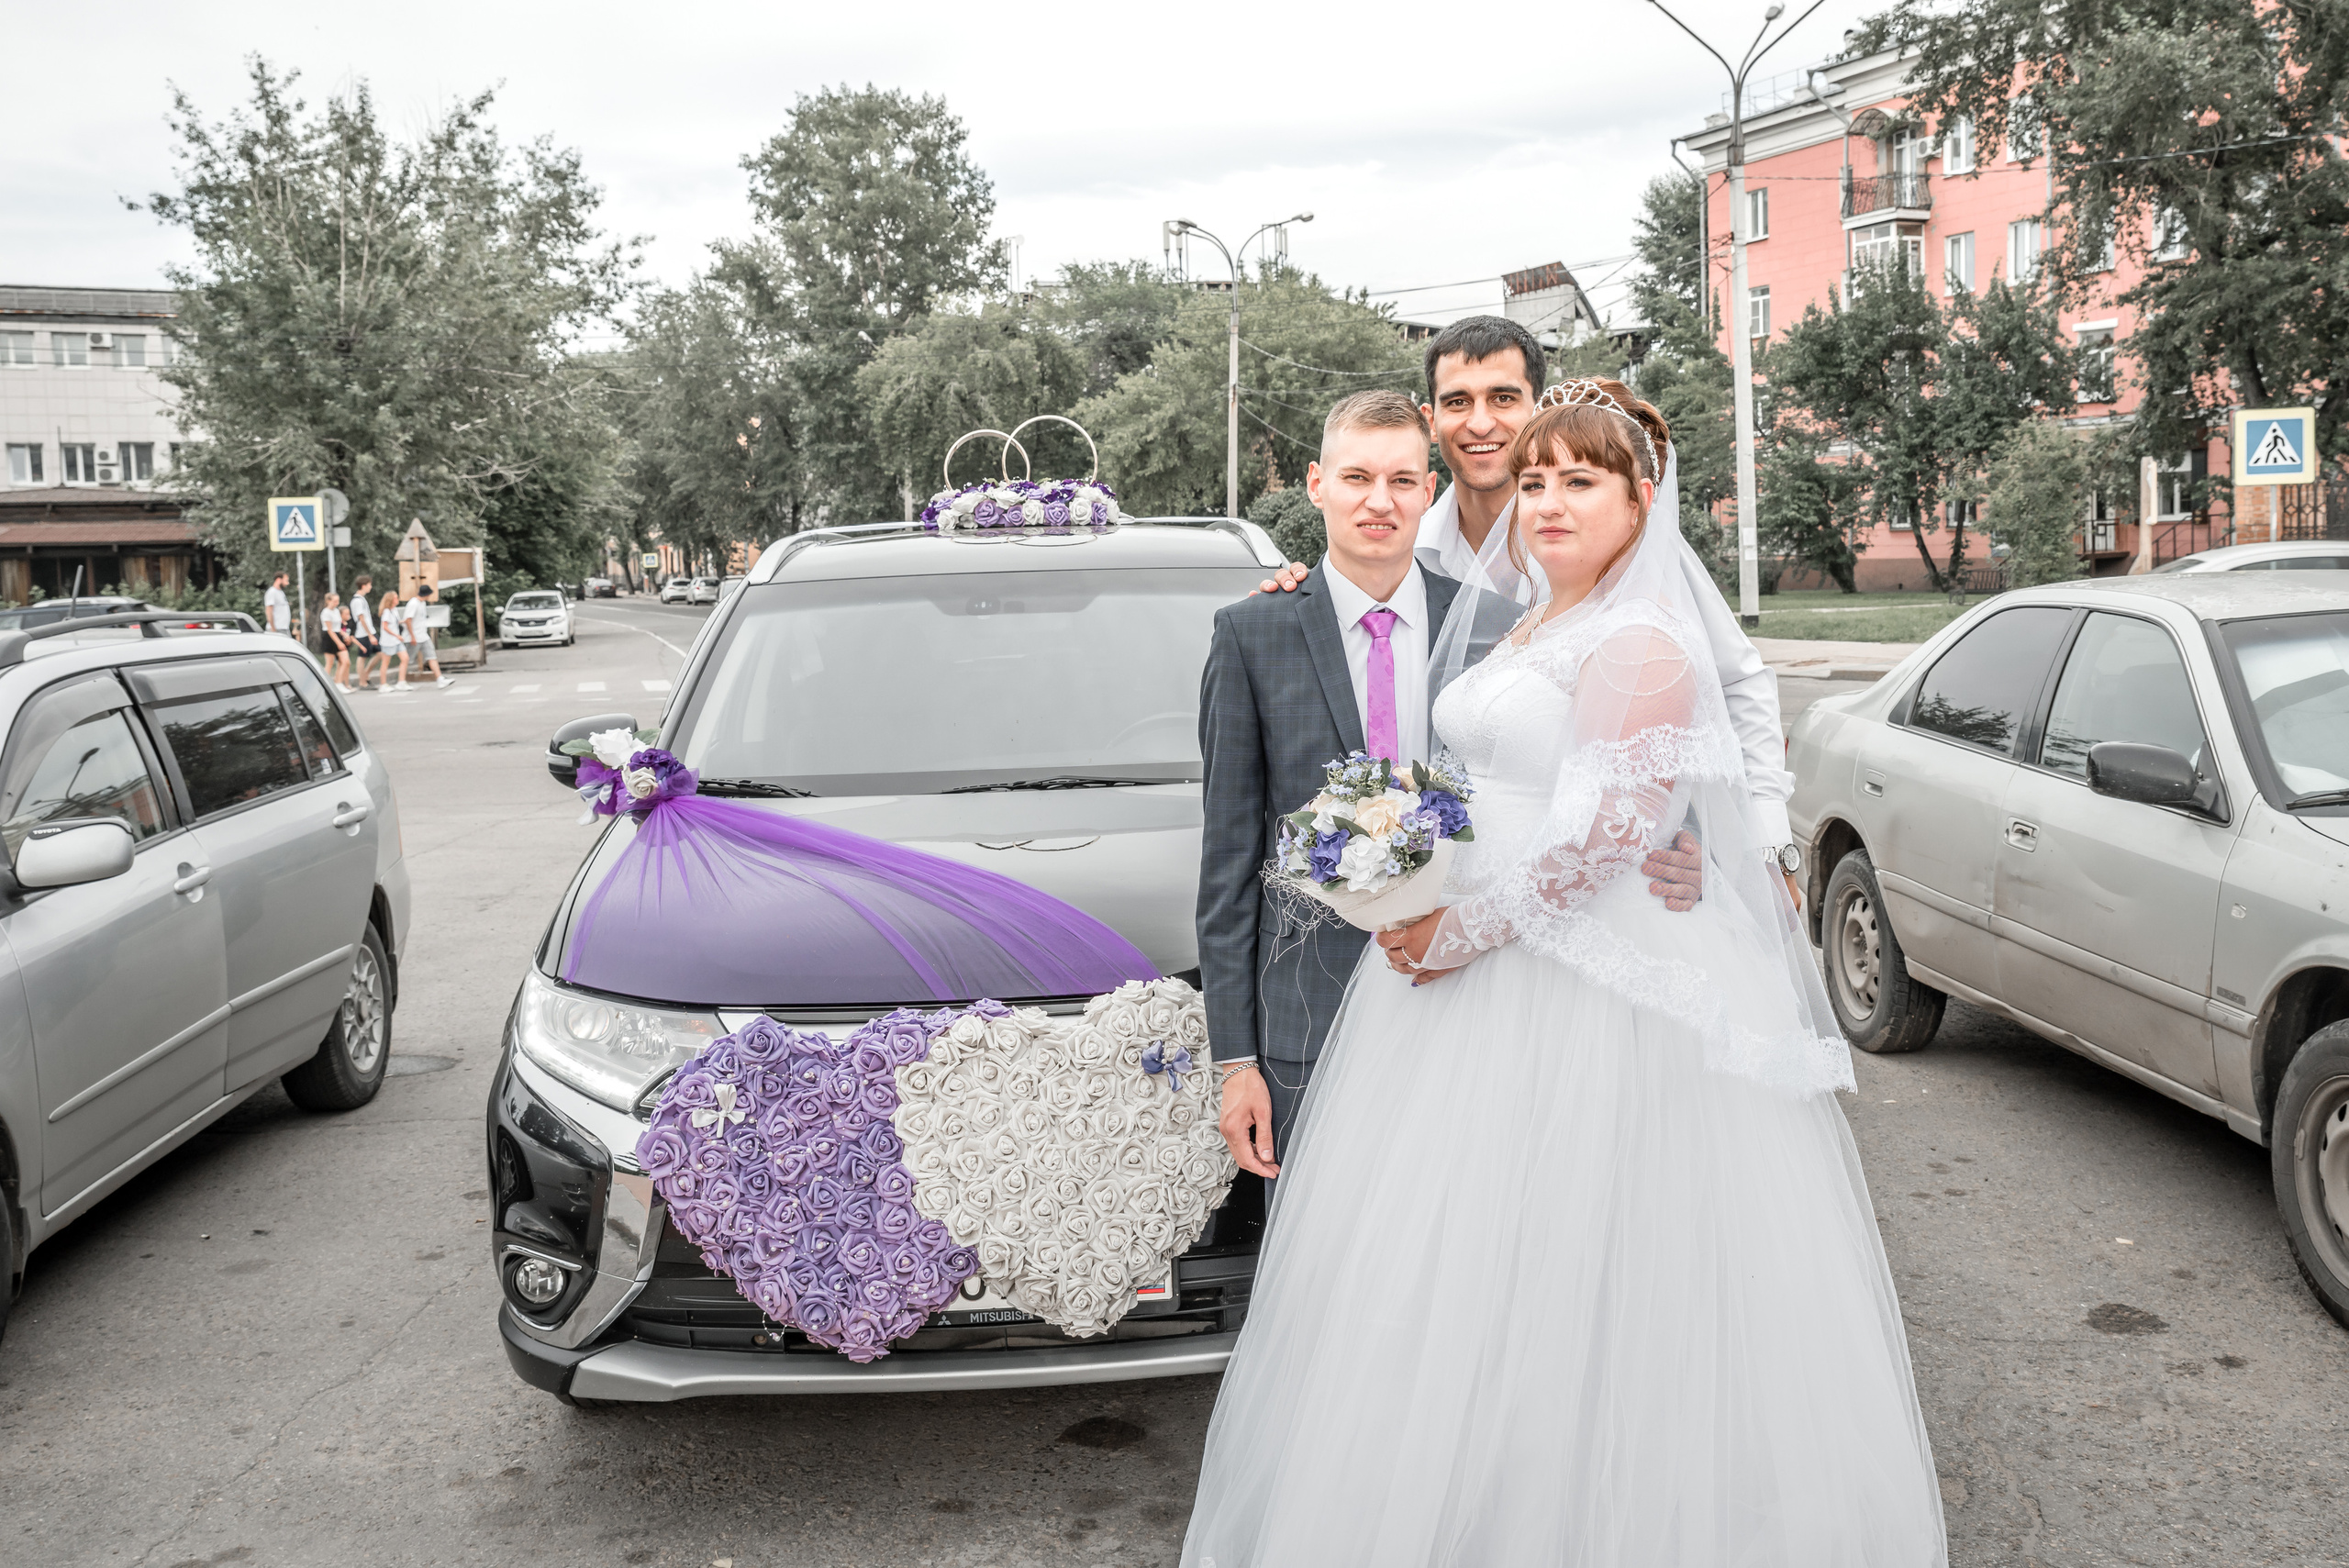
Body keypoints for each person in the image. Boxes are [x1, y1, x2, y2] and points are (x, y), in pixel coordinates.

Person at [1182, 383, 1947, 1567]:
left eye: (1579, 480)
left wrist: (1481, 923)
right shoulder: (1516, 619)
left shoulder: (1642, 639)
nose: (1545, 500)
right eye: (1533, 482)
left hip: (1571, 993)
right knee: (1444, 1287)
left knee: (1587, 1275)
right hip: (1449, 993)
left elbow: (1598, 838)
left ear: (1644, 501)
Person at [1196, 391, 1698, 1186]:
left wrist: (1687, 843)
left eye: (1401, 479)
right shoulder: (1251, 631)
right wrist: (1235, 1059)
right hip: (1308, 1010)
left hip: (1487, 993)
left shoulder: (1507, 625)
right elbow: (1226, 859)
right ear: (1316, 484)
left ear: (1429, 491)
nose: (1378, 500)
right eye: (1356, 477)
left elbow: (1620, 757)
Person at [404, 582, 456, 688]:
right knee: (407, 660)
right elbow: (408, 620)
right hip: (414, 636)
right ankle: (401, 680)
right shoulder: (413, 603)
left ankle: (440, 679)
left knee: (431, 656)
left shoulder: (422, 603)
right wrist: (412, 636)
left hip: (423, 635)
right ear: (426, 594)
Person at [346, 576, 380, 692]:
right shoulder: (357, 601)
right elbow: (361, 618)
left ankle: (365, 675)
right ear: (364, 585)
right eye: (369, 585)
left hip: (370, 631)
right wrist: (370, 635)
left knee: (381, 653)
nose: (371, 587)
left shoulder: (362, 599)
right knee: (362, 657)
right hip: (363, 633)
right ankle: (362, 682)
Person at [378, 588, 411, 693]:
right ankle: (383, 684)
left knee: (405, 658)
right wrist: (397, 635)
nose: (398, 599)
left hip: (397, 640)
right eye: (396, 597)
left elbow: (395, 623)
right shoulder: (386, 612)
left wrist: (403, 622)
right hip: (389, 641)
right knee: (385, 662)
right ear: (391, 599)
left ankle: (401, 682)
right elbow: (385, 627)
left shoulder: (394, 610)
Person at [318, 591, 350, 686]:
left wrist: (344, 634)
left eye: (338, 601)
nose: (337, 603)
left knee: (345, 661)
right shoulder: (325, 612)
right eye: (335, 601)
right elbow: (330, 630)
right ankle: (323, 684)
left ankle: (338, 682)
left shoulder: (336, 611)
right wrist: (339, 643)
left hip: (337, 634)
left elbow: (337, 627)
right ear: (328, 601)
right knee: (330, 663)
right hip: (329, 637)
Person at [263, 571, 292, 637]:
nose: (287, 583)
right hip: (277, 628)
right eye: (286, 580)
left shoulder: (280, 592)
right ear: (279, 579)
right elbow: (269, 611)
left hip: (284, 628)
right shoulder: (272, 592)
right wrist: (273, 628)